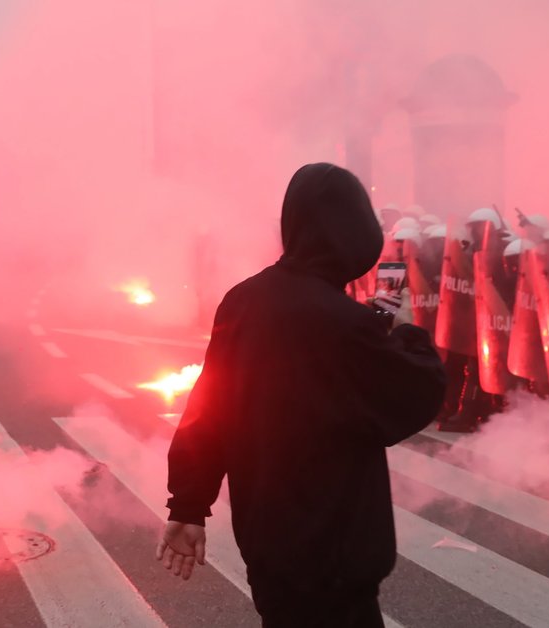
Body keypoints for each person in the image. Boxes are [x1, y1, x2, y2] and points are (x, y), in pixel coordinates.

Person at [158, 164, 446, 627]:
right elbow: (417, 392)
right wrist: (409, 332)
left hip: (268, 543)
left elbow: (207, 412)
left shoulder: (243, 301)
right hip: (337, 553)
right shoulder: (345, 323)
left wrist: (189, 505)